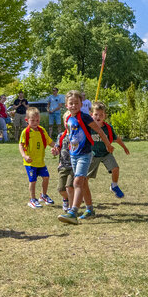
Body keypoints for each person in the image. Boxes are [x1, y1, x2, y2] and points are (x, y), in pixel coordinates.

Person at [57, 91, 109, 223]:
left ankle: (73, 212)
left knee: (77, 182)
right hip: (73, 155)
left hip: (85, 154)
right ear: (66, 105)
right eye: (71, 103)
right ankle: (90, 209)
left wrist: (108, 144)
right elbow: (69, 135)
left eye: (76, 103)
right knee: (83, 182)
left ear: (81, 104)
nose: (74, 105)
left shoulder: (85, 117)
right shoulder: (68, 119)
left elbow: (99, 130)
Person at [90, 101, 130, 198]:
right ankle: (82, 192)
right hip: (92, 154)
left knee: (115, 168)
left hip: (106, 153)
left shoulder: (108, 128)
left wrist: (124, 147)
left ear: (105, 116)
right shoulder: (88, 127)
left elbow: (116, 139)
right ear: (91, 115)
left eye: (101, 115)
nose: (98, 117)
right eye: (96, 114)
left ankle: (114, 186)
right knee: (85, 176)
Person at [19, 107, 54, 208]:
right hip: (30, 162)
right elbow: (20, 145)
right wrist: (24, 156)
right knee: (33, 181)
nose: (35, 122)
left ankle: (43, 195)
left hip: (40, 162)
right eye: (32, 120)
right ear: (27, 120)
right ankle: (32, 199)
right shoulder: (25, 132)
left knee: (46, 177)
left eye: (37, 120)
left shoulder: (42, 130)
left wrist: (57, 147)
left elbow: (49, 141)